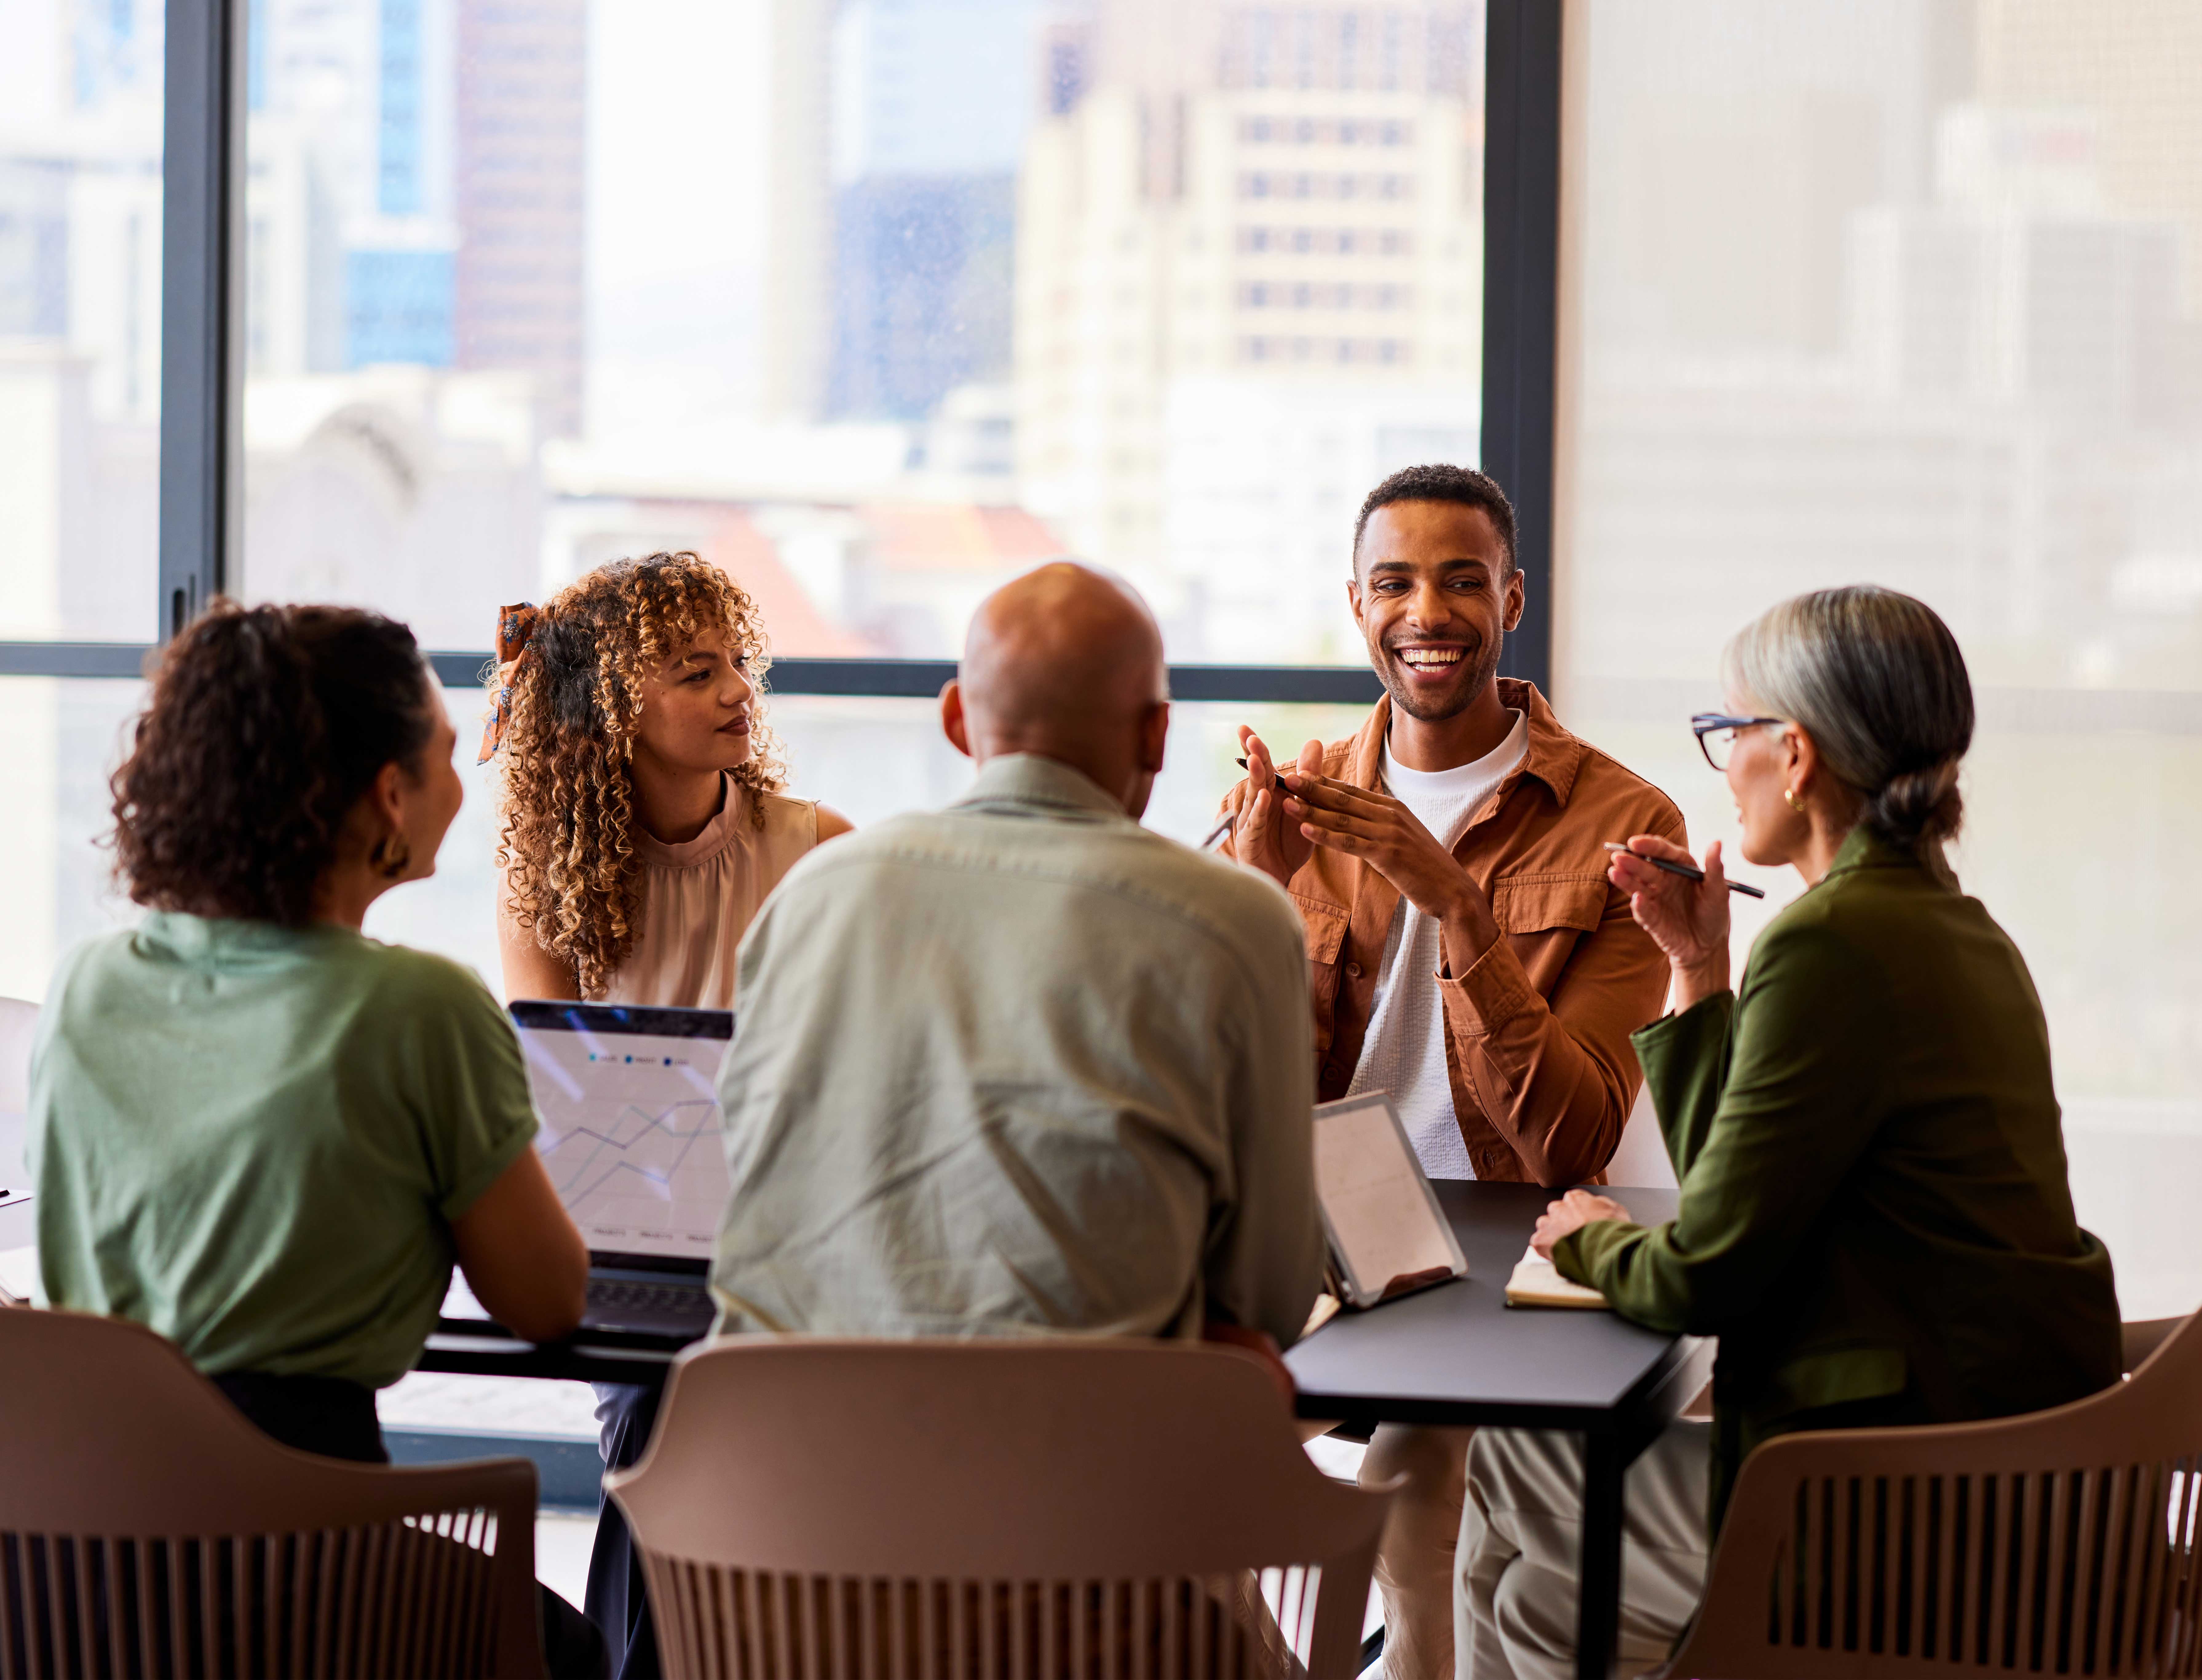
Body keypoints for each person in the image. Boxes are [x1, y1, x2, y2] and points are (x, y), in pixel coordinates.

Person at [1459, 585, 2122, 1680]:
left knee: (1515, 1491)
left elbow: (1706, 1275)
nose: (1724, 766)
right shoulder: (1959, 931)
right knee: (1536, 1570)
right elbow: (1743, 1192)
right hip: (2016, 1481)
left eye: (1729, 731)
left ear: (1797, 755)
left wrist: (1584, 1237)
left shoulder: (1832, 945)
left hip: (1898, 1516)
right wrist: (1697, 965)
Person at [28, 600, 605, 1677]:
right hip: (296, 1567)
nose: (462, 784)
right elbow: (548, 1302)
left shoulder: (87, 984)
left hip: (74, 1565)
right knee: (575, 1653)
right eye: (447, 753)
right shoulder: (419, 1008)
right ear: (390, 794)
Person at [1225, 464, 1684, 1680]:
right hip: (1323, 1251)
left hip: (1500, 1260)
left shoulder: (1621, 821)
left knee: (1407, 1480)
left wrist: (1455, 902)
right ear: (1356, 604)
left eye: (1460, 581)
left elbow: (1571, 1140)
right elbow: (1217, 1098)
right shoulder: (1296, 799)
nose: (1425, 612)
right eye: (1393, 583)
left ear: (1511, 598)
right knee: (1143, 1442)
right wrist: (1248, 900)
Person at [711, 561, 1324, 1352]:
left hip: (783, 1414)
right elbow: (1268, 1294)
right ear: (1157, 734)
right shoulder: (1233, 919)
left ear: (957, 719)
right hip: (1080, 1425)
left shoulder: (813, 891)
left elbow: (743, 1179)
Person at [483, 549, 851, 1679]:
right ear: (614, 708)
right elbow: (554, 1096)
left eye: (737, 662)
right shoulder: (550, 878)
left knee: (675, 1426)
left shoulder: (820, 851)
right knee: (673, 1403)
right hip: (627, 1239)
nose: (739, 690)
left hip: (788, 1235)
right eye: (696, 672)